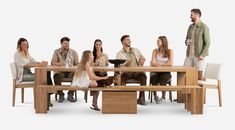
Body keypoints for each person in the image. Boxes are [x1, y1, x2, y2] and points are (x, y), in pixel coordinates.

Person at [14, 38, 53, 106]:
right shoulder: (17, 54)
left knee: (47, 73)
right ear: (19, 45)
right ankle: (45, 99)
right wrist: (38, 65)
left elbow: (33, 61)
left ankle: (48, 94)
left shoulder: (26, 53)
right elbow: (26, 65)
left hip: (29, 74)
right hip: (22, 76)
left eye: (26, 44)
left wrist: (41, 62)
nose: (26, 46)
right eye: (24, 45)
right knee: (43, 76)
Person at [116, 35, 147, 105]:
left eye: (129, 40)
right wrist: (125, 65)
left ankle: (141, 98)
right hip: (127, 72)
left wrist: (142, 59)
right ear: (122, 42)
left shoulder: (135, 50)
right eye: (127, 40)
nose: (130, 41)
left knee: (143, 77)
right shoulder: (119, 53)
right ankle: (123, 98)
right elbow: (118, 65)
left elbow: (142, 57)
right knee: (122, 78)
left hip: (137, 72)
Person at [184, 9, 210, 80]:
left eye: (191, 15)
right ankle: (188, 91)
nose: (190, 16)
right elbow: (186, 39)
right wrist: (186, 42)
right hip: (189, 54)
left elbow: (207, 42)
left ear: (197, 15)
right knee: (184, 73)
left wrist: (203, 54)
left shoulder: (203, 27)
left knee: (199, 76)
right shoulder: (190, 27)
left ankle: (200, 90)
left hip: (199, 55)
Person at [51, 37, 79, 103]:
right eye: (65, 43)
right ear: (61, 44)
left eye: (68, 43)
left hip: (71, 72)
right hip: (60, 72)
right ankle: (61, 95)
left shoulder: (74, 52)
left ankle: (70, 94)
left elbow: (77, 63)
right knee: (56, 76)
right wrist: (59, 63)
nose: (67, 45)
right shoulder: (56, 52)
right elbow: (53, 62)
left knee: (77, 75)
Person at [150, 36, 173, 103]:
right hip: (155, 71)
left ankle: (163, 96)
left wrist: (159, 64)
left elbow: (170, 63)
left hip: (165, 72)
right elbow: (153, 63)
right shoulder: (155, 51)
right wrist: (164, 64)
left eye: (158, 41)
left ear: (163, 42)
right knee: (153, 77)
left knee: (163, 78)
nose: (157, 42)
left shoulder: (169, 51)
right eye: (157, 41)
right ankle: (155, 95)